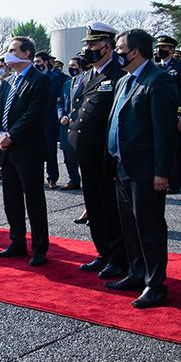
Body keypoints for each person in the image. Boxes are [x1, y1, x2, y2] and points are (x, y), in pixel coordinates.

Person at [105, 29, 177, 309]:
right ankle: (136, 273)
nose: (117, 52)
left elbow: (164, 132)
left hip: (146, 168)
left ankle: (155, 284)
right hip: (122, 165)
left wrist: (162, 171)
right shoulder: (124, 81)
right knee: (130, 226)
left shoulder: (158, 80)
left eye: (120, 48)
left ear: (134, 51)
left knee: (149, 226)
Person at [68, 22, 127, 279]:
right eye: (87, 45)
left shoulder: (119, 74)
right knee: (93, 203)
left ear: (108, 45)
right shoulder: (87, 75)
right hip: (86, 150)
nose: (89, 49)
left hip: (106, 152)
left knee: (109, 206)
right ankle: (102, 252)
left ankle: (118, 257)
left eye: (93, 44)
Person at [0, 36, 51, 266]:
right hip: (6, 149)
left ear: (26, 54)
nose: (8, 53)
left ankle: (39, 248)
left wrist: (11, 135)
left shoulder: (39, 81)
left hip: (28, 150)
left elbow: (34, 115)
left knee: (34, 200)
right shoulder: (4, 81)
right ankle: (16, 241)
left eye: (12, 49)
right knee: (11, 198)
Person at [155, 36, 181, 194]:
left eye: (163, 47)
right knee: (163, 147)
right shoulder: (157, 67)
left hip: (176, 114)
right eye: (158, 47)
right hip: (160, 114)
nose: (159, 50)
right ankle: (164, 177)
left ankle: (175, 183)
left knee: (176, 149)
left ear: (171, 50)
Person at [33, 51, 62, 189]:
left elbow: (51, 98)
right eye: (35, 62)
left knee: (50, 150)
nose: (36, 64)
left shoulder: (54, 77)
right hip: (35, 119)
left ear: (46, 62)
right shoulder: (34, 77)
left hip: (49, 119)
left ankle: (52, 178)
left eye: (38, 62)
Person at [56, 57, 83, 191]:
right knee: (67, 154)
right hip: (66, 125)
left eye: (74, 65)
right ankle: (73, 179)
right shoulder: (67, 83)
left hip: (79, 124)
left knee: (81, 156)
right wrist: (61, 115)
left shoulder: (87, 81)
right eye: (70, 66)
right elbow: (60, 103)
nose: (71, 68)